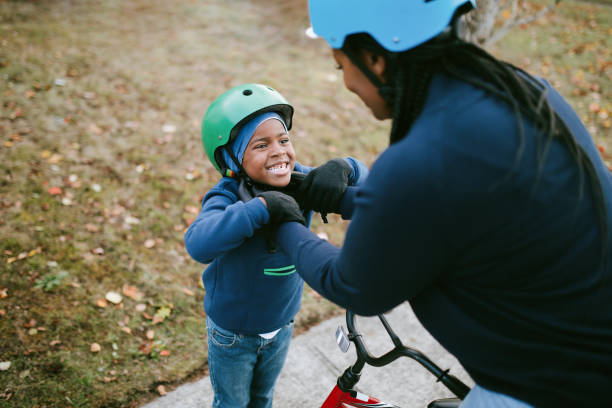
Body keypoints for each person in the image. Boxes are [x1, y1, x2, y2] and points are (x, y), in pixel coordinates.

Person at [268, 2, 612, 407]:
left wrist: (284, 222)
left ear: (375, 59)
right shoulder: (520, 92)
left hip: (555, 390)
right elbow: (447, 209)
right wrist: (342, 197)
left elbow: (355, 286)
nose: (346, 83)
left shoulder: (423, 160)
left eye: (340, 66)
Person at [184, 83, 368, 408]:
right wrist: (260, 209)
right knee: (232, 403)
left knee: (263, 398)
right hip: (232, 334)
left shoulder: (299, 180)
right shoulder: (228, 196)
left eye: (284, 140)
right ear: (232, 158)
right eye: (261, 145)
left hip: (281, 326)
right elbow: (198, 244)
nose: (279, 151)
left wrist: (347, 167)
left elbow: (369, 190)